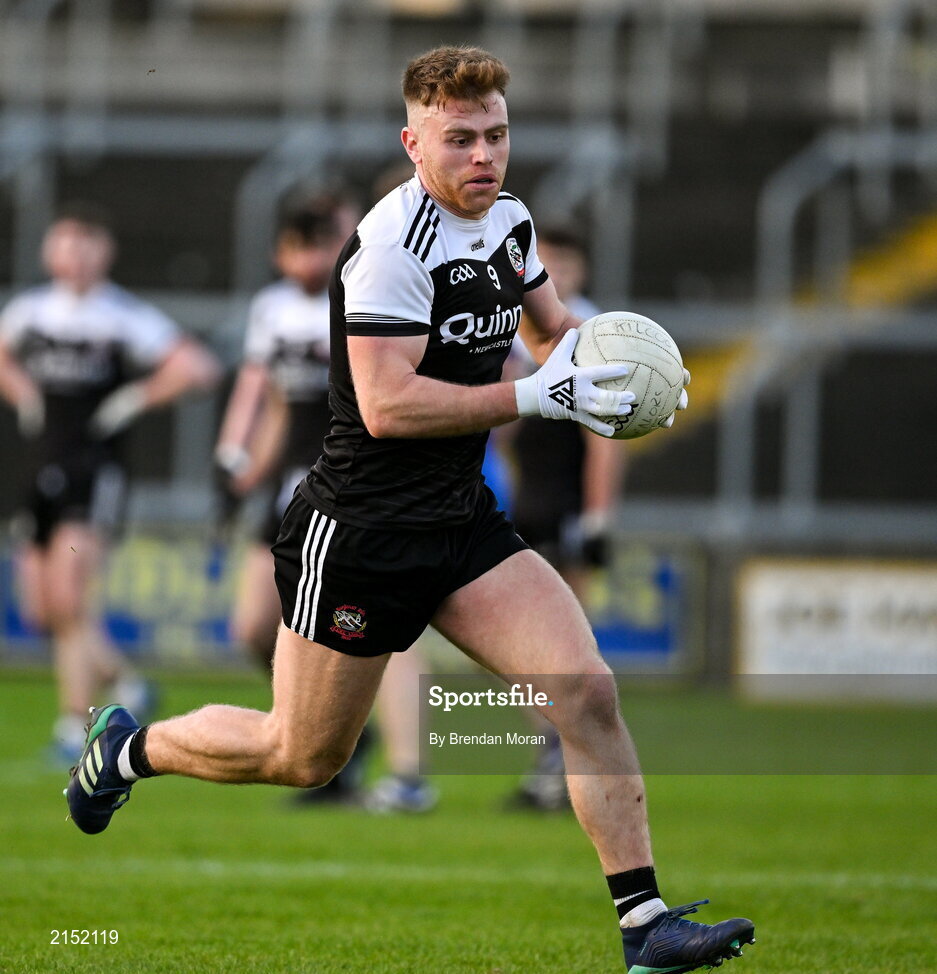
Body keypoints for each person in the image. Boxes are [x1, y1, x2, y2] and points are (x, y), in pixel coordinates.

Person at [65, 48, 754, 973]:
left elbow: (555, 331)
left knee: (584, 691)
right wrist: (532, 399)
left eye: (497, 135)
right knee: (300, 753)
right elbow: (388, 407)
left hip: (461, 522)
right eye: (460, 139)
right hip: (360, 530)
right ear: (413, 141)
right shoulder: (390, 246)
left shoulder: (509, 221)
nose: (485, 157)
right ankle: (127, 749)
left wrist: (630, 375)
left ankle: (646, 925)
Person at [214, 192, 436, 812]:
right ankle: (338, 736)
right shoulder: (272, 309)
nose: (315, 257)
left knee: (390, 631)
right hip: (293, 491)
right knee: (254, 626)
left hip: (365, 488)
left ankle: (410, 774)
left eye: (328, 238)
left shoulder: (380, 290)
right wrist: (241, 464)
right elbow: (274, 400)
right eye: (302, 244)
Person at [0, 204, 220, 762]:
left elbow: (198, 367)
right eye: (65, 242)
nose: (74, 254)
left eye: (86, 242)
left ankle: (76, 723)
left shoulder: (121, 315)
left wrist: (137, 397)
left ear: (105, 252)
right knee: (41, 610)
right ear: (50, 250)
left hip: (91, 471)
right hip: (35, 469)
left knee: (71, 600)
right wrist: (23, 391)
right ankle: (129, 683)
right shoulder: (30, 311)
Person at [505, 223, 629, 812]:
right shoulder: (514, 324)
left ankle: (565, 761)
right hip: (528, 499)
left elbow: (608, 438)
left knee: (566, 638)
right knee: (515, 644)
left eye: (565, 265)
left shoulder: (592, 332)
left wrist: (599, 517)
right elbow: (506, 415)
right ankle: (551, 753)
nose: (555, 275)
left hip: (567, 503)